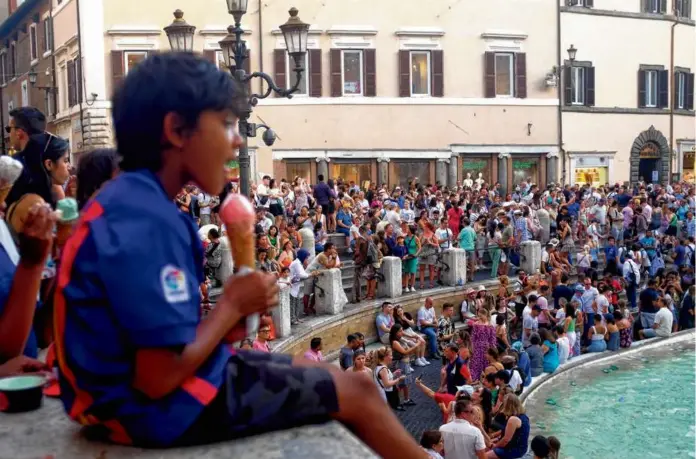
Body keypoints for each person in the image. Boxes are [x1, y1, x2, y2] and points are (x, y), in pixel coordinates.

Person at [54, 52, 422, 458]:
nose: (236, 140)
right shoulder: (151, 221)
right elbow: (157, 377)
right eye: (225, 124)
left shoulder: (125, 204)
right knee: (360, 391)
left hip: (114, 405)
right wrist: (231, 305)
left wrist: (230, 319)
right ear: (176, 129)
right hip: (154, 412)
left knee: (330, 376)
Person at [487, 394, 530, 459]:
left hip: (513, 450)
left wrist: (495, 446)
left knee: (484, 456)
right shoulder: (523, 416)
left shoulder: (513, 419)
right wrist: (494, 439)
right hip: (520, 447)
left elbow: (506, 440)